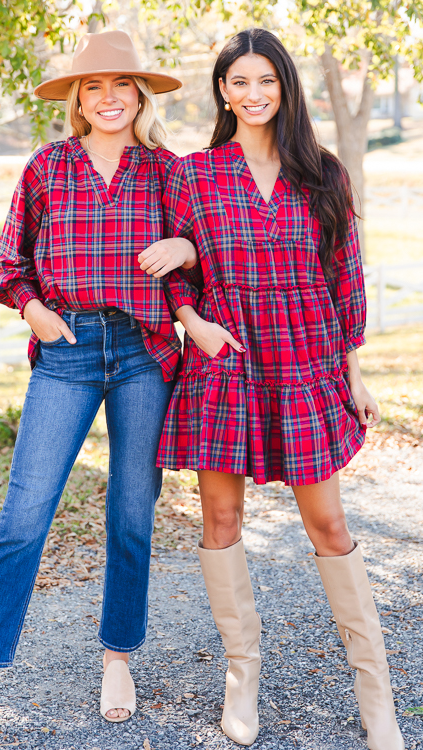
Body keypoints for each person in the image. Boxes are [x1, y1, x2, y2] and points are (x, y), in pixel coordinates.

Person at [0, 30, 196, 750]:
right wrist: (36, 310)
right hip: (68, 351)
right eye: (93, 88)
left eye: (121, 86)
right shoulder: (49, 166)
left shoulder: (167, 172)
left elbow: (204, 260)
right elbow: (10, 261)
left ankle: (117, 658)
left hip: (144, 352)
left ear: (140, 95)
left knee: (132, 514)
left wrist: (188, 248)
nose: (109, 98)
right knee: (24, 516)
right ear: (77, 101)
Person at [157, 28, 404, 749]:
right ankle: (243, 677)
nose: (253, 94)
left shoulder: (322, 172)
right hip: (226, 360)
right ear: (222, 92)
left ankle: (376, 694)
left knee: (328, 525)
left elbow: (343, 275)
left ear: (285, 88)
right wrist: (191, 320)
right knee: (221, 522)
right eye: (238, 82)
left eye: (266, 81)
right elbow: (175, 269)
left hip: (305, 362)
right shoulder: (194, 175)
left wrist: (353, 372)